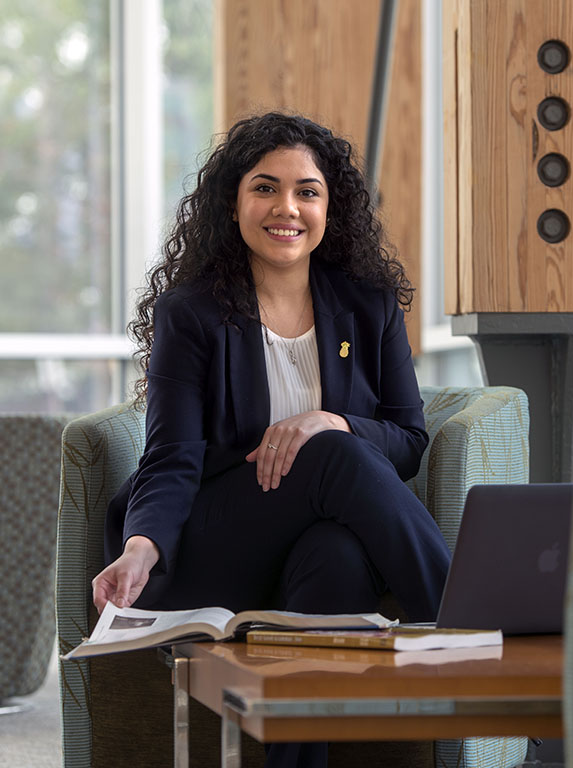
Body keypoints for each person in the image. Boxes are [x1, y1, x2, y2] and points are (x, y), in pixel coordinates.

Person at [92, 112, 451, 767]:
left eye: (307, 191)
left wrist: (331, 420)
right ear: (232, 203)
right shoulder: (192, 313)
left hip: (317, 540)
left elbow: (407, 440)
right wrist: (142, 548)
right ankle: (466, 626)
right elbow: (173, 456)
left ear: (329, 209)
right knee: (331, 456)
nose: (287, 207)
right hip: (219, 542)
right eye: (265, 187)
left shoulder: (367, 304)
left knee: (337, 555)